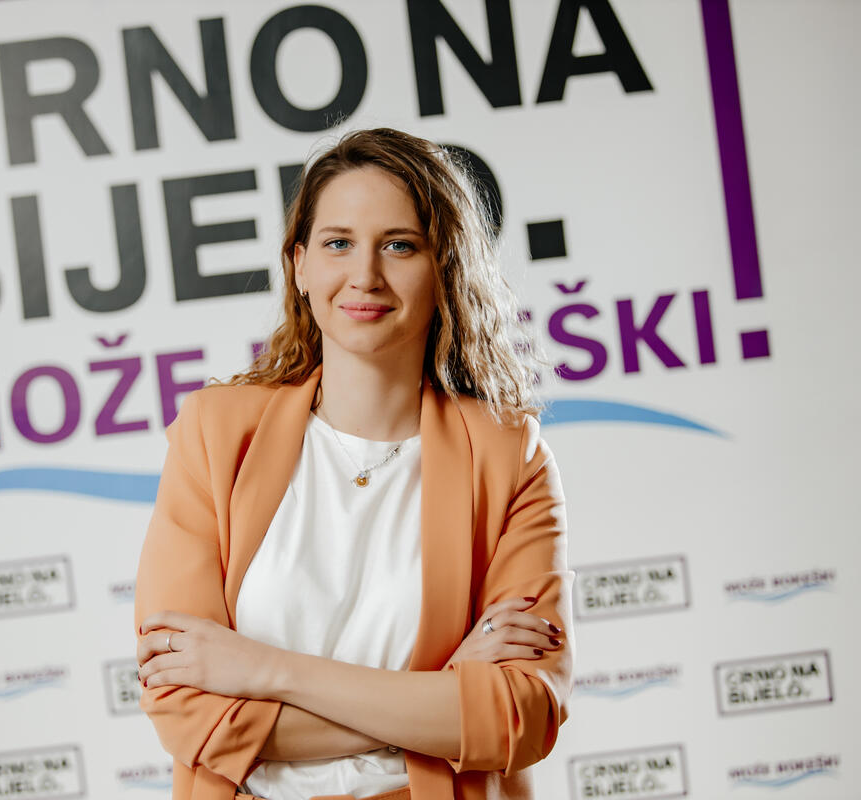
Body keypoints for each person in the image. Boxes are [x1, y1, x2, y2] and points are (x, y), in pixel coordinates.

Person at [134, 128, 572, 800]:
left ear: (444, 266)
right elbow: (189, 712)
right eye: (338, 243)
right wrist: (438, 695)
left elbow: (518, 716)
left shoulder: (509, 457)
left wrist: (265, 671)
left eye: (399, 245)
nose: (365, 275)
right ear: (300, 265)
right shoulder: (214, 436)